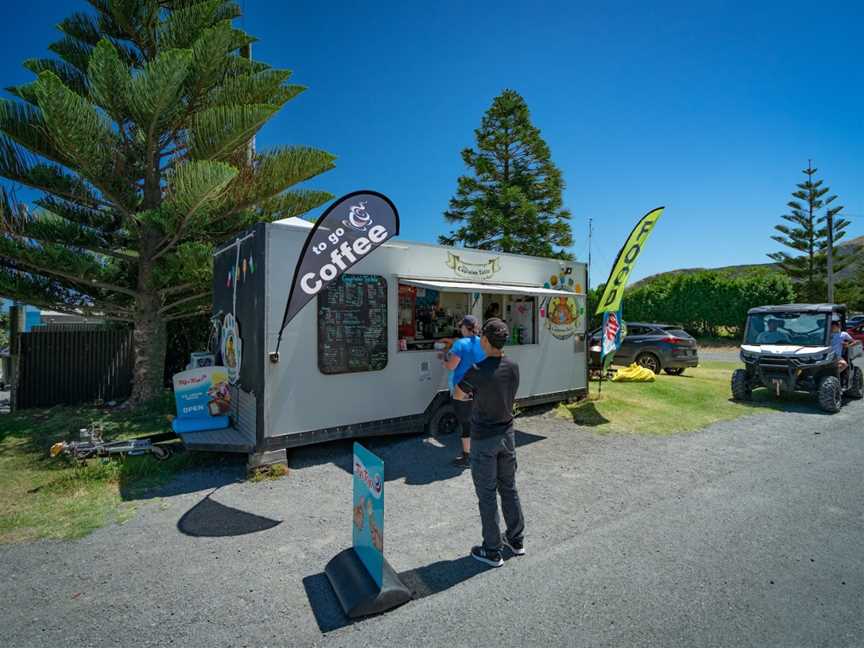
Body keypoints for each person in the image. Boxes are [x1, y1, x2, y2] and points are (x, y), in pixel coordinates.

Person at [455, 318, 525, 567]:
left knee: (486, 494)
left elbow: (459, 393)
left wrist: (475, 394)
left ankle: (492, 550)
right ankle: (516, 540)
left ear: (485, 340)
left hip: (484, 439)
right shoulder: (513, 366)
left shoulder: (478, 369)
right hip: (507, 435)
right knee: (509, 487)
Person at [441, 315, 485, 467]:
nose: (460, 329)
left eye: (461, 327)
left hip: (462, 388)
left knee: (466, 423)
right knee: (476, 421)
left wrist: (443, 359)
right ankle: (478, 453)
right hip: (480, 387)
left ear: (465, 328)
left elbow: (451, 366)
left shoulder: (460, 344)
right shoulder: (483, 342)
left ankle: (467, 458)